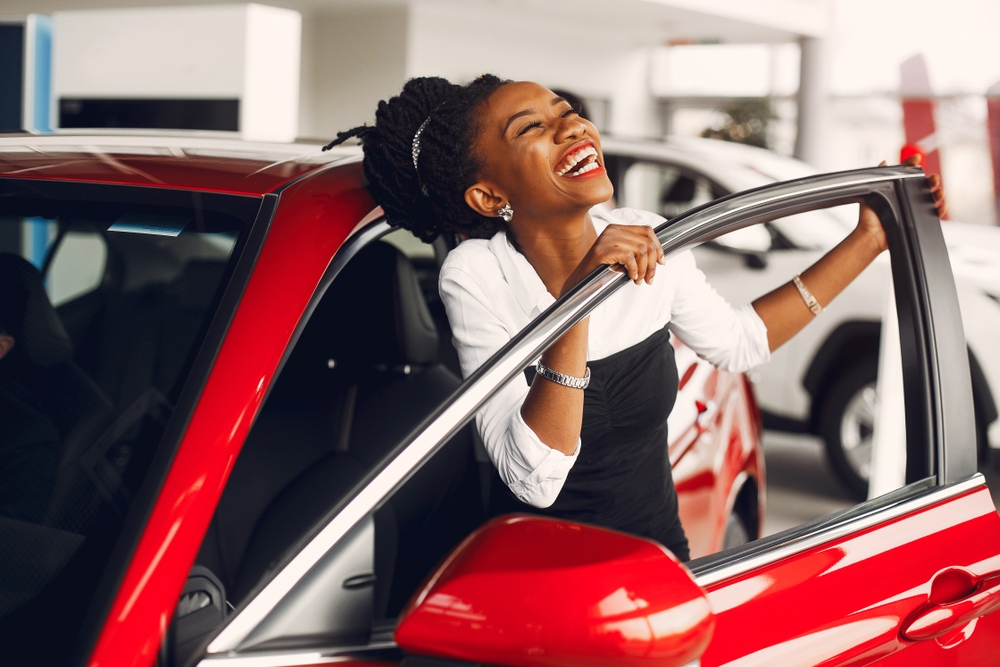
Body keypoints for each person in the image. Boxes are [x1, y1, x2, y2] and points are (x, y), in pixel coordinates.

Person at [324, 76, 946, 561]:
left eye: (568, 112)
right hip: (537, 584)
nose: (572, 129)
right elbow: (533, 479)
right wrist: (582, 295)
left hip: (657, 564)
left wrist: (868, 239)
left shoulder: (648, 235)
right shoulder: (475, 275)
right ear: (490, 197)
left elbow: (739, 343)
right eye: (531, 129)